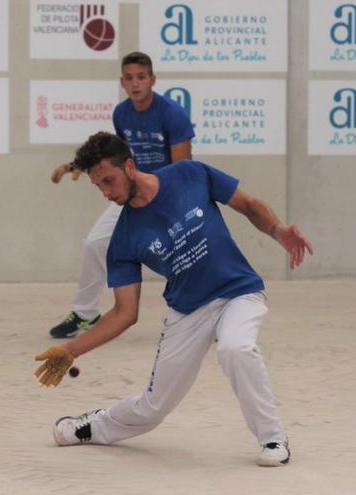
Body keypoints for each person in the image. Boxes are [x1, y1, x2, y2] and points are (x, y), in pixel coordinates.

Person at [34, 132, 314, 467]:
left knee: (235, 348)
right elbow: (125, 313)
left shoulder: (189, 174)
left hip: (238, 291)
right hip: (187, 312)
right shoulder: (123, 239)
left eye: (109, 181)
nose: (107, 193)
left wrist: (278, 230)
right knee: (154, 407)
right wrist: (70, 350)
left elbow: (249, 205)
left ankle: (273, 439)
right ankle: (93, 426)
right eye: (99, 187)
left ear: (129, 165)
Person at [47, 52, 195, 338]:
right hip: (130, 193)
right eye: (129, 78)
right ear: (122, 82)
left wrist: (171, 205)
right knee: (94, 244)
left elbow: (184, 168)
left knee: (190, 254)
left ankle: (210, 314)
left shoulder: (172, 114)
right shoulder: (121, 114)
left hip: (167, 196)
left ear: (152, 79)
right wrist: (77, 165)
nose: (135, 83)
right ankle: (85, 314)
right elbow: (115, 157)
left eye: (141, 77)